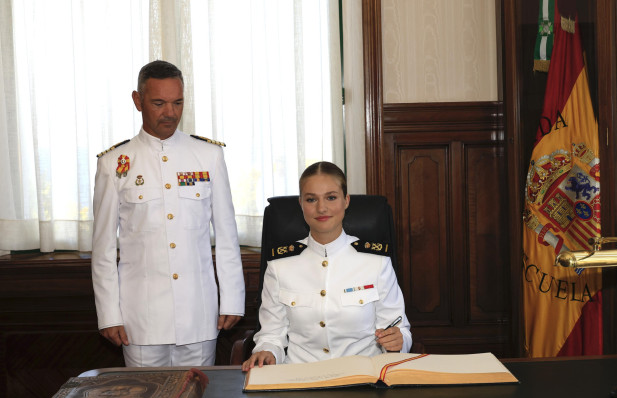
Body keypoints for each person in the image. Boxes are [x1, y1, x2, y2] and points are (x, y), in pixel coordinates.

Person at [92, 60, 245, 367]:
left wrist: (232, 299)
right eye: (159, 103)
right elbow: (104, 249)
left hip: (198, 316)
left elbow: (227, 236)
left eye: (177, 103)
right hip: (140, 319)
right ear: (138, 101)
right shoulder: (115, 163)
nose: (170, 113)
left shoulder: (208, 155)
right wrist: (109, 314)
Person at [242, 161, 411, 370]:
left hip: (363, 379)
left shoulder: (376, 261)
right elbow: (271, 334)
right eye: (311, 199)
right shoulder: (280, 265)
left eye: (331, 197)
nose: (321, 208)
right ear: (301, 204)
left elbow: (399, 328)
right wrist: (267, 352)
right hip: (299, 379)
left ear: (346, 201)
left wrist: (397, 342)